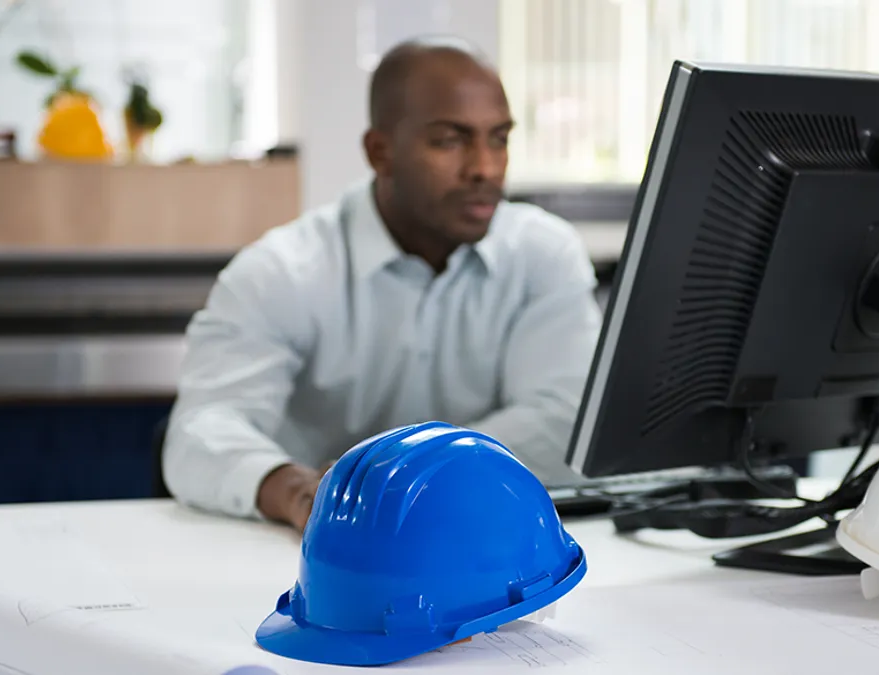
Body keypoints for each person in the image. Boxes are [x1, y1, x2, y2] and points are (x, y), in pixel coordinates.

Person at [162, 36, 603, 532]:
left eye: (498, 138)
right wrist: (297, 492)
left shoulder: (543, 253)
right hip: (312, 553)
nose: (485, 167)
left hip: (478, 541)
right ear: (380, 152)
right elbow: (201, 434)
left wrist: (394, 477)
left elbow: (565, 419)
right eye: (450, 141)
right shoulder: (282, 270)